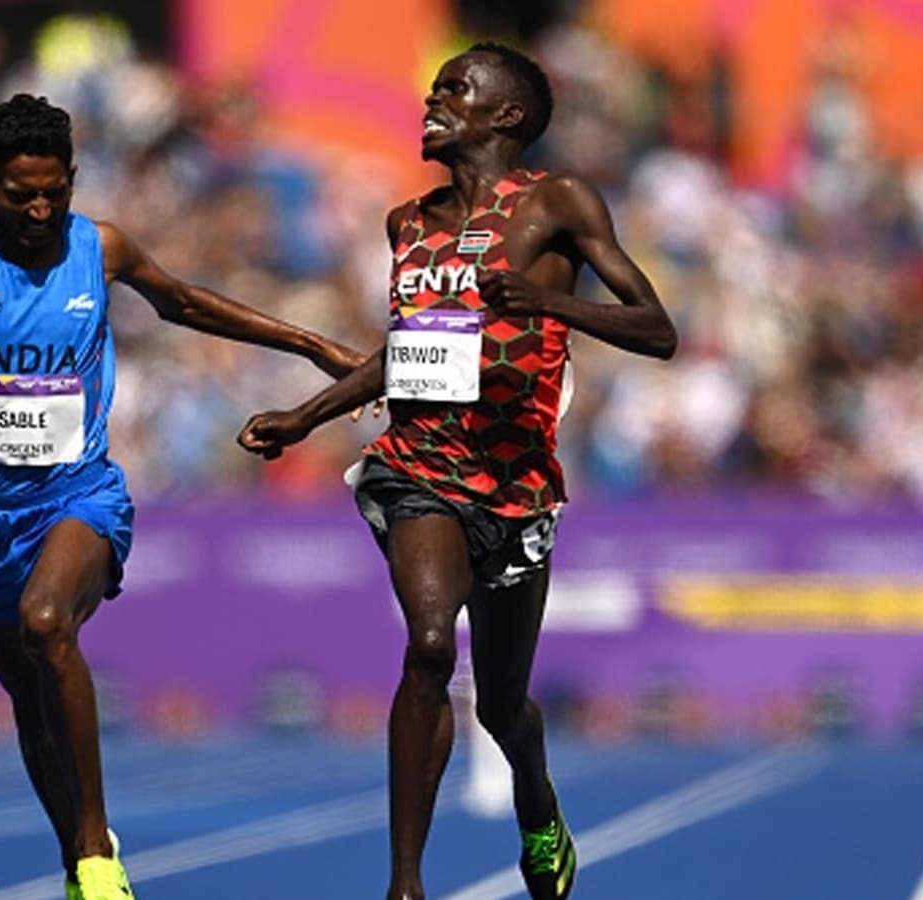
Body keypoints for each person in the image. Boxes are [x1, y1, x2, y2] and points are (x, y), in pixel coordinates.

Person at [0, 94, 364, 900]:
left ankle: (97, 849)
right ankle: (79, 866)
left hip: (82, 496)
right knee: (30, 707)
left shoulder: (99, 247)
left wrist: (310, 344)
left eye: (55, 192)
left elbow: (187, 302)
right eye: (21, 195)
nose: (39, 210)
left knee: (46, 622)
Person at [238, 42, 677, 900]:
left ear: (506, 115)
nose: (431, 102)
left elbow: (656, 328)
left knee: (506, 704)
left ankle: (538, 803)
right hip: (419, 465)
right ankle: (406, 884)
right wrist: (306, 416)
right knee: (432, 645)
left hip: (516, 483)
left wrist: (547, 300)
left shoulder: (558, 201)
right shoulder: (410, 222)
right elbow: (408, 352)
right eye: (434, 89)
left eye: (454, 91)